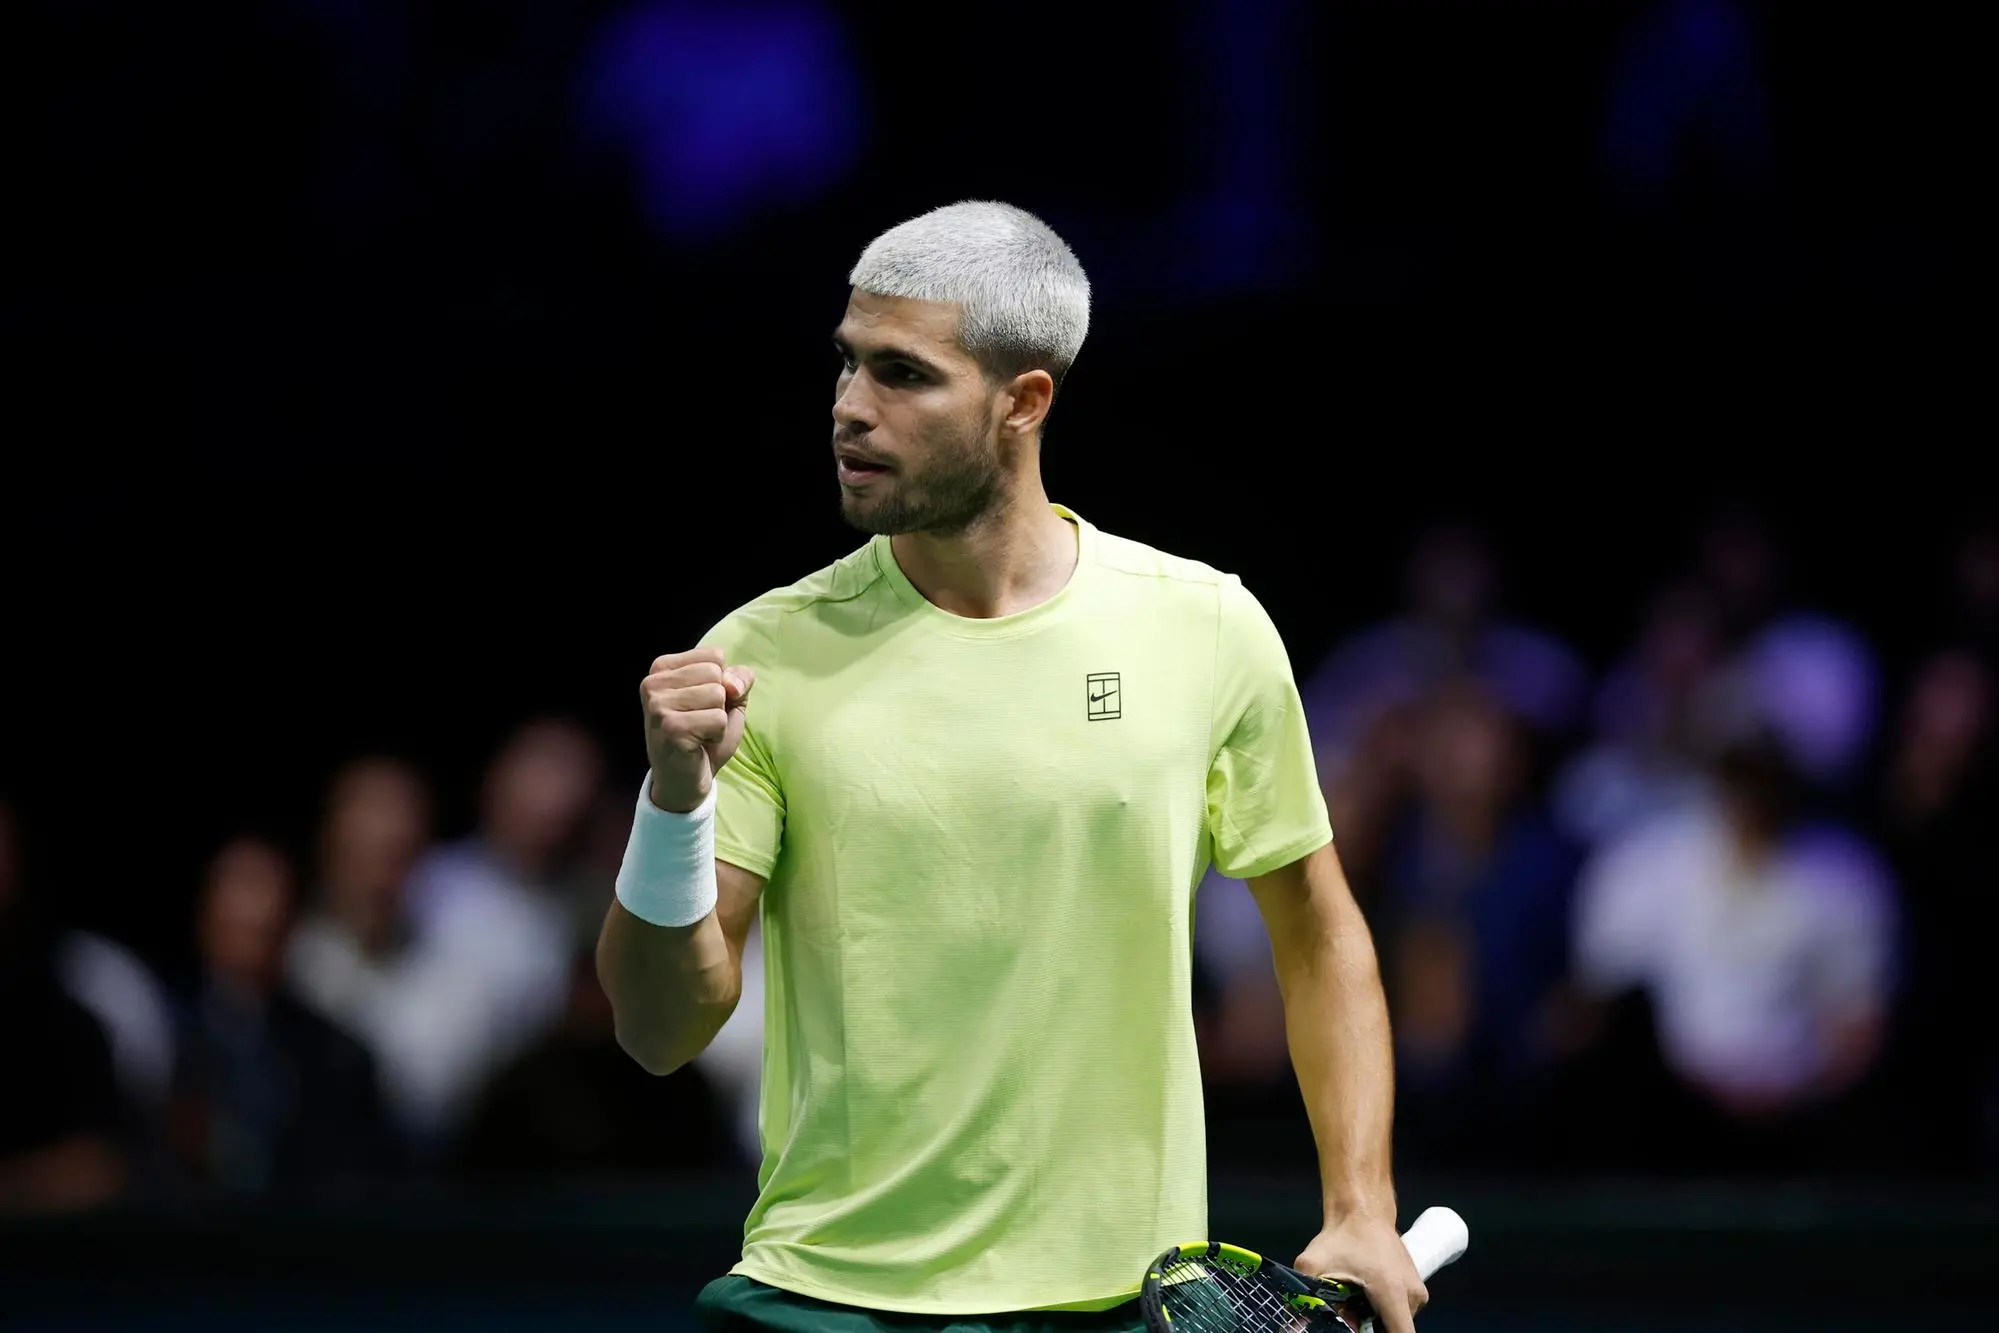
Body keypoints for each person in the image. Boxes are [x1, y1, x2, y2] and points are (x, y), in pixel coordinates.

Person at [596, 201, 1427, 1333]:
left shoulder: (1207, 628)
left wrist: (1362, 1205)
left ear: (1023, 402)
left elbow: (1319, 932)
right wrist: (671, 802)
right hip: (829, 1298)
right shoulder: (758, 657)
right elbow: (656, 1030)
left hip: (1126, 1303)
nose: (848, 408)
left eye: (902, 375)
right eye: (845, 364)